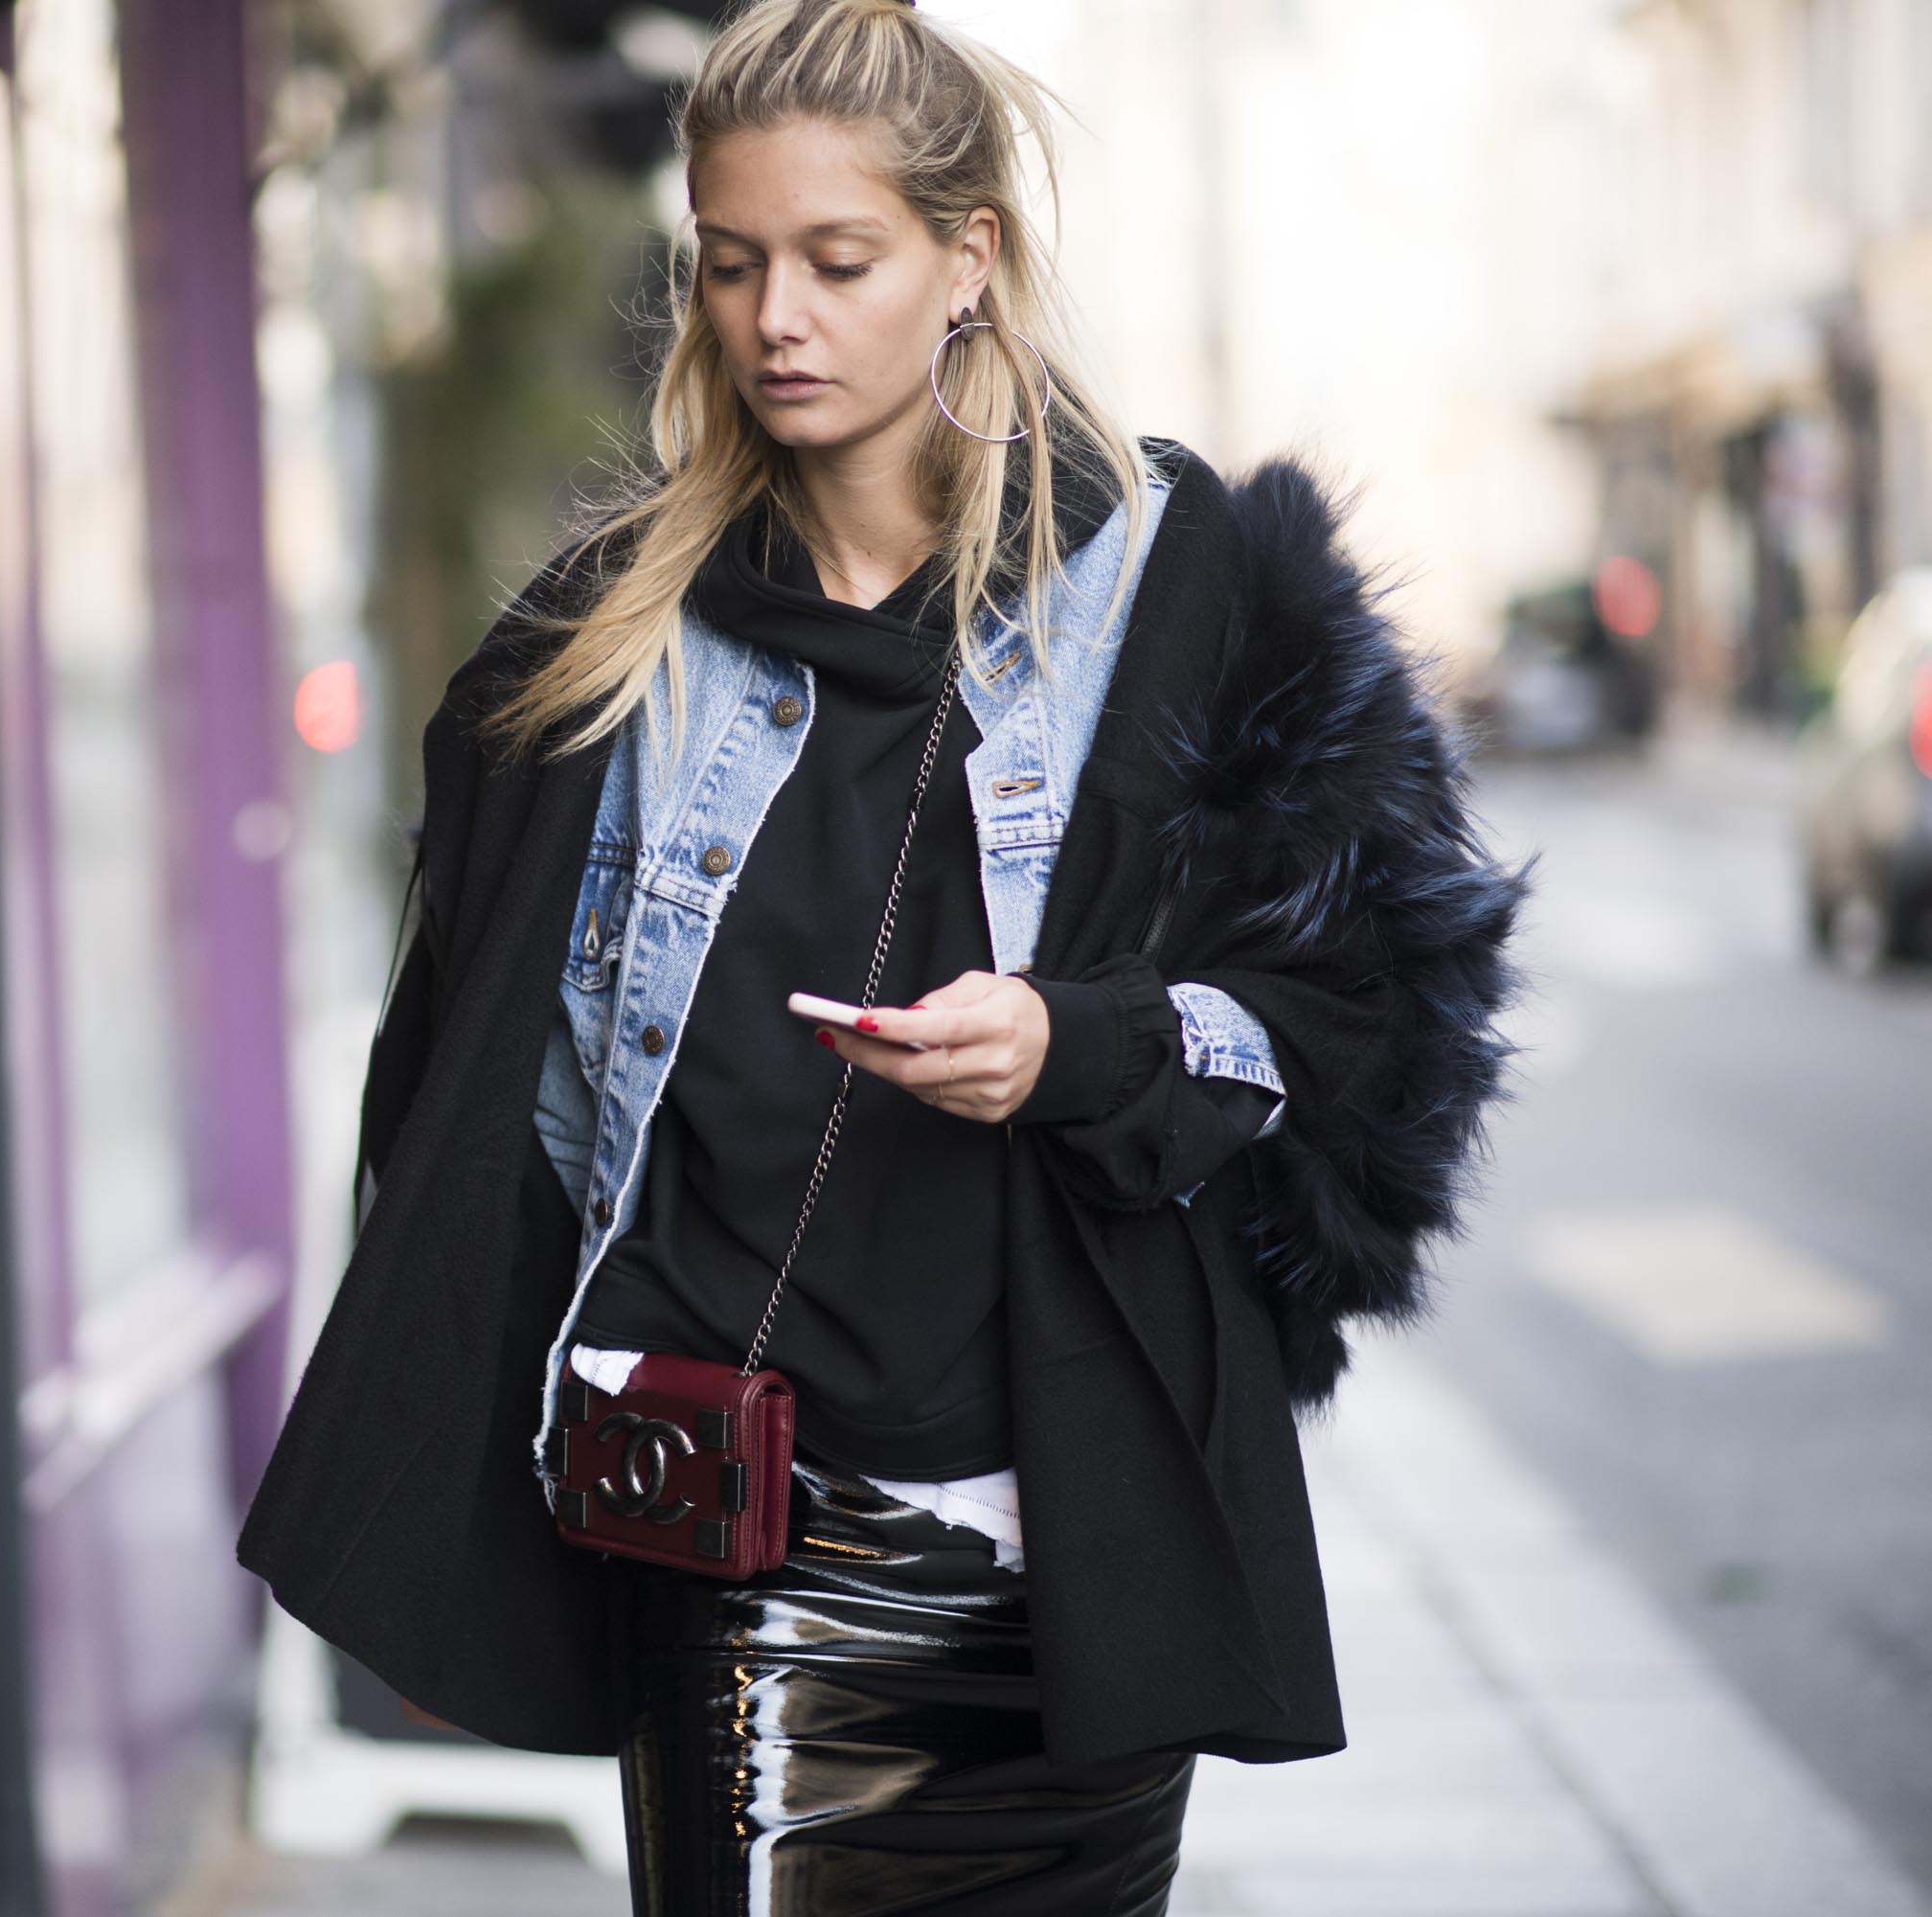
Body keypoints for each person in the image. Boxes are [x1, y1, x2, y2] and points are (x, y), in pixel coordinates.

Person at [239, 2, 1529, 1909]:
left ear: (967, 260)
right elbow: (468, 1084)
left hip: (1065, 1559)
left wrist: (1074, 1041)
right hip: (735, 1545)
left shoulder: (1187, 598)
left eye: (840, 262)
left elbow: (1371, 1022)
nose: (779, 317)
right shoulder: (609, 653)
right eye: (736, 261)